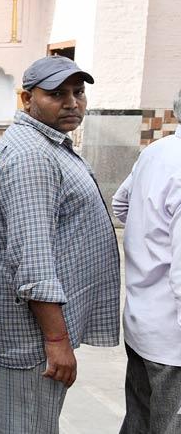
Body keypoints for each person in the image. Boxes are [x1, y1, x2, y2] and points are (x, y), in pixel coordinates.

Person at [0, 55, 120, 434]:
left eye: (78, 92)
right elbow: (33, 262)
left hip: (34, 337)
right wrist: (57, 340)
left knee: (6, 423)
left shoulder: (45, 144)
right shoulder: (33, 156)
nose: (72, 103)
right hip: (36, 340)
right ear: (27, 99)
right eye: (57, 94)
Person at [112, 87, 181, 434]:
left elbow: (120, 204)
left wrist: (150, 241)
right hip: (172, 340)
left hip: (142, 321)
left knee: (139, 419)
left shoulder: (157, 151)